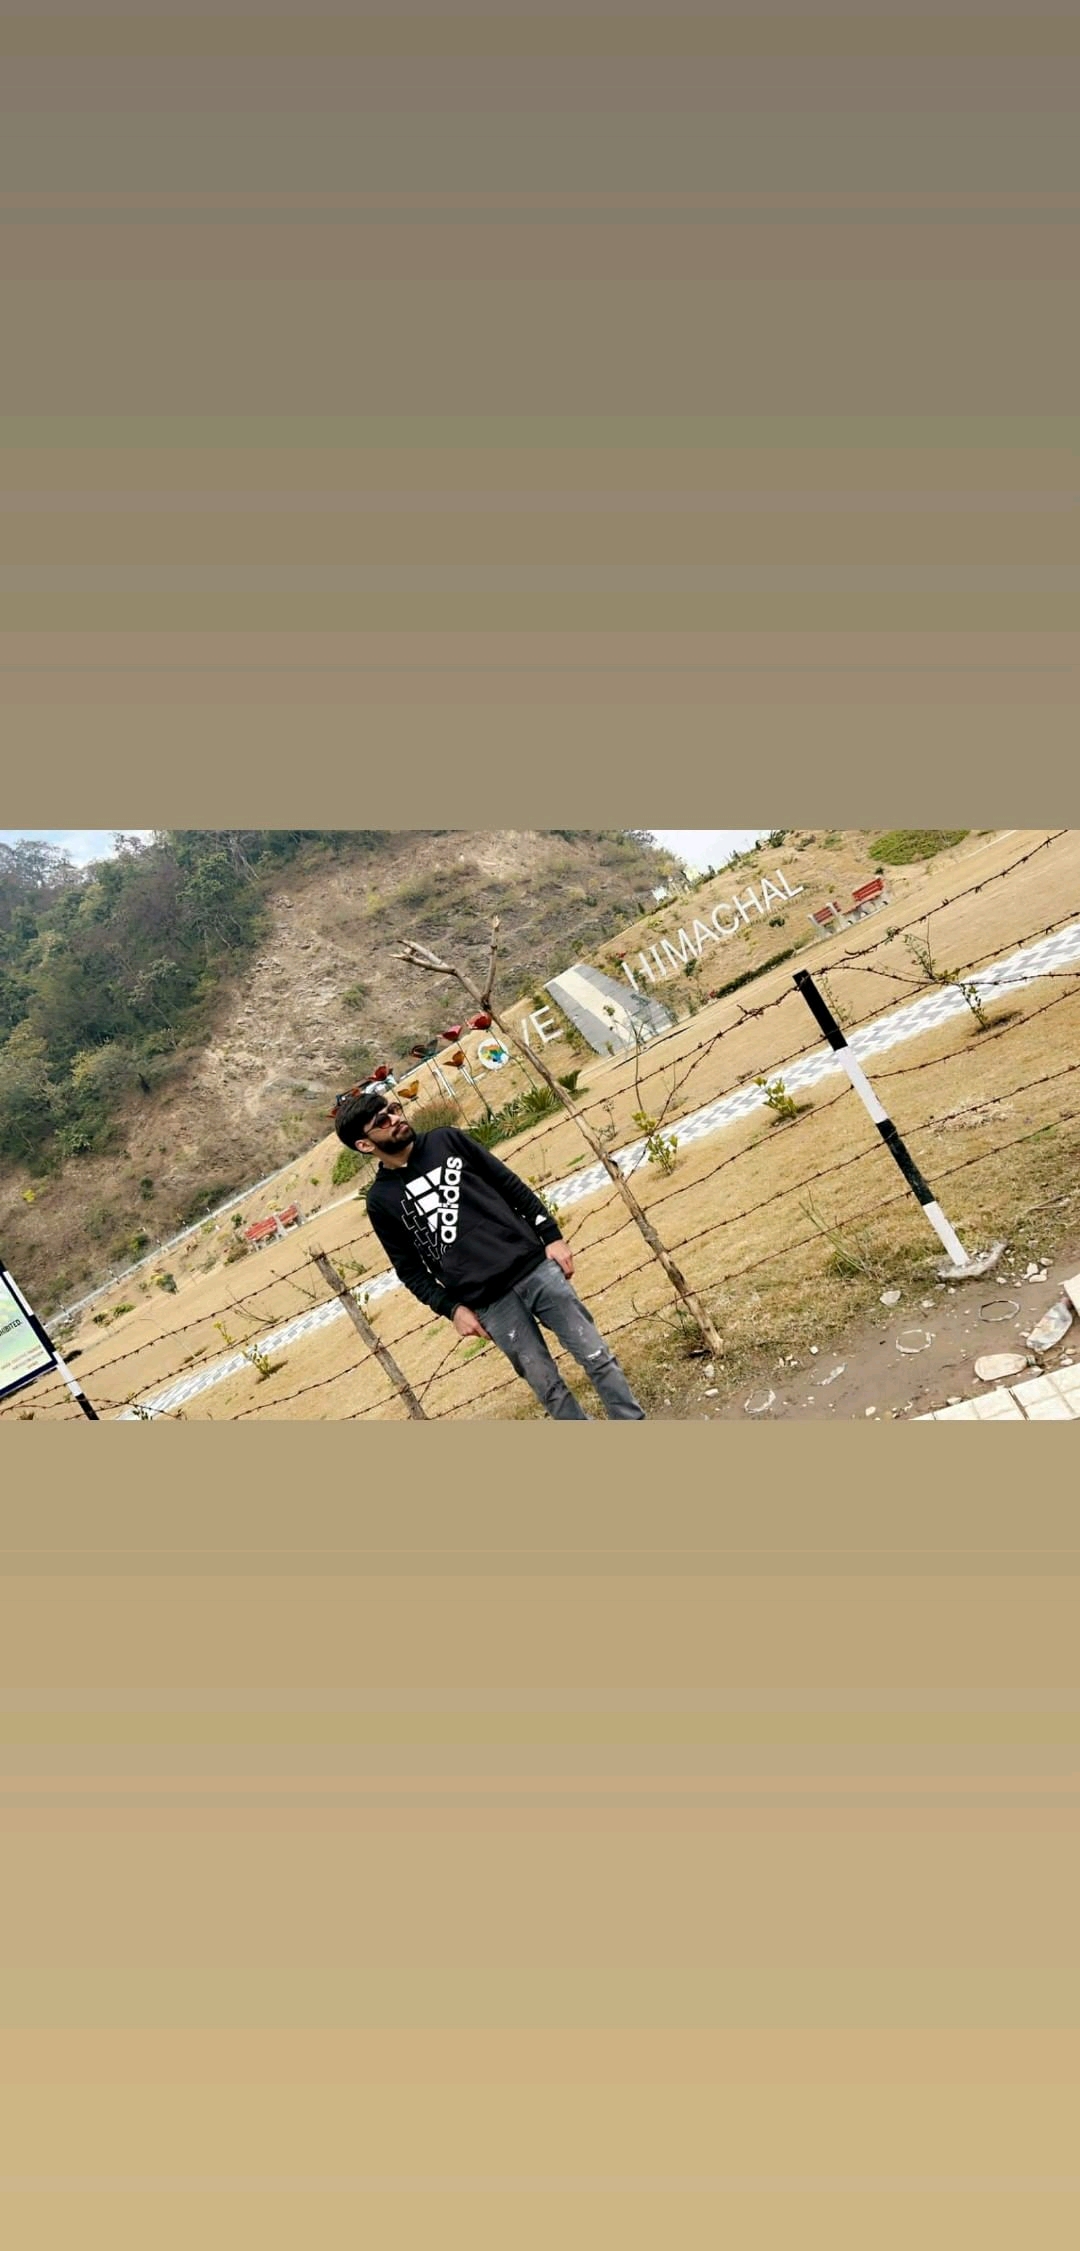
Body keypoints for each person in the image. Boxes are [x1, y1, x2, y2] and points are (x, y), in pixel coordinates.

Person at [333, 1089, 646, 1420]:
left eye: (395, 1109)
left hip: (535, 1269)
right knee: (549, 1389)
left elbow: (510, 1185)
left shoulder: (447, 1140)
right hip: (490, 1304)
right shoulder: (381, 1200)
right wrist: (452, 1309)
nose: (396, 1118)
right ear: (364, 1145)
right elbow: (409, 1270)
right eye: (383, 1120)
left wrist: (551, 1236)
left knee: (596, 1356)